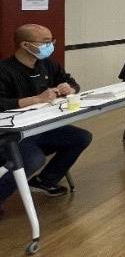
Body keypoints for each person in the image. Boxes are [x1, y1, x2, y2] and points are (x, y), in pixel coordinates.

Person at [0, 24, 93, 206]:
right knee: (34, 159)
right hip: (13, 134)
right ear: (25, 45)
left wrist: (69, 88)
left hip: (42, 126)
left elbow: (72, 82)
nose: (50, 46)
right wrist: (35, 100)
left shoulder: (48, 64)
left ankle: (45, 180)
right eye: (45, 42)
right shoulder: (4, 70)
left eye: (51, 42)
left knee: (81, 137)